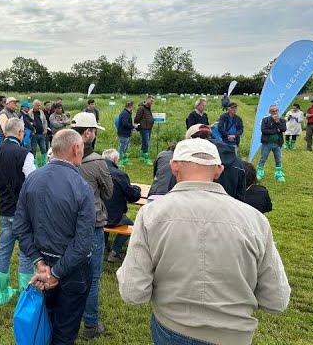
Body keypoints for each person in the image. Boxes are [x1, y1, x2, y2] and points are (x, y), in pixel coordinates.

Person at [118, 138, 290, 345]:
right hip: (235, 335)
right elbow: (277, 300)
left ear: (173, 166)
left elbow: (133, 293)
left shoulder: (151, 214)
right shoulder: (255, 219)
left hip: (172, 328)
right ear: (218, 170)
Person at [14, 129, 96, 345]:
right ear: (76, 148)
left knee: (49, 321)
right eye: (82, 147)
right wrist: (53, 271)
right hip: (71, 269)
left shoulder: (32, 179)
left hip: (46, 264)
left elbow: (20, 226)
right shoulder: (81, 187)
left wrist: (40, 263)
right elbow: (84, 242)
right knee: (65, 330)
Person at [0, 117, 37, 306]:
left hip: (4, 208)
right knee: (25, 252)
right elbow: (33, 182)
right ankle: (26, 293)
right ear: (20, 133)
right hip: (23, 211)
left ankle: (1, 291)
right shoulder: (25, 154)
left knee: (3, 249)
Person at [72, 111, 111, 340]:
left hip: (66, 224)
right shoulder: (97, 162)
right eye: (94, 131)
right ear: (87, 133)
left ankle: (69, 320)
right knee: (92, 277)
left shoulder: (55, 155)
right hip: (93, 224)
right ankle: (91, 324)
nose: (95, 135)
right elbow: (109, 192)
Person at [102, 149, 140, 263]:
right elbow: (132, 196)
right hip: (113, 216)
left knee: (104, 220)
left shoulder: (96, 171)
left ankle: (103, 247)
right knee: (131, 225)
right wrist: (136, 189)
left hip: (97, 213)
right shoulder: (119, 175)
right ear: (115, 160)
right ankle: (115, 251)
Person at [256, 105, 287, 182]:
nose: (275, 112)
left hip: (277, 144)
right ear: (270, 112)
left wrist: (277, 122)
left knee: (278, 160)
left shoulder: (282, 121)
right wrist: (276, 130)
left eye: (276, 110)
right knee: (263, 158)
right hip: (267, 143)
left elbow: (283, 129)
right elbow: (264, 131)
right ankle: (259, 173)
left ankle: (279, 174)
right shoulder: (265, 120)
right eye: (273, 111)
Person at [134, 97, 155, 165]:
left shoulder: (148, 108)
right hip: (144, 127)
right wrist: (136, 125)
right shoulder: (141, 108)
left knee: (145, 142)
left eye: (153, 101)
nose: (152, 102)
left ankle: (143, 157)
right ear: (147, 100)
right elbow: (137, 117)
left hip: (148, 127)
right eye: (151, 101)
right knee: (146, 143)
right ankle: (145, 158)